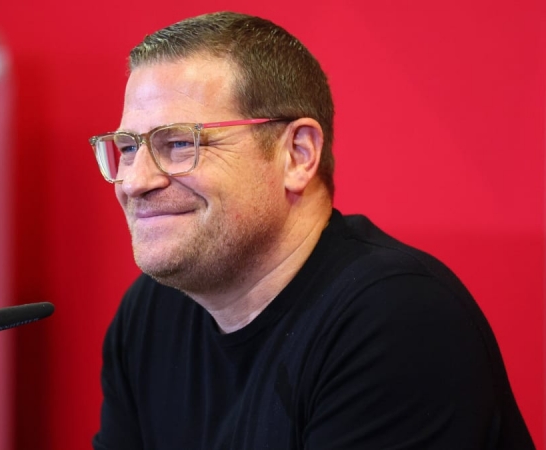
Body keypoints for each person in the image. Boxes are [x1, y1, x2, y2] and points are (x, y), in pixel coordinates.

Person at [88, 11, 534, 450]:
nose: (135, 181)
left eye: (180, 143)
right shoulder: (150, 313)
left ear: (297, 155)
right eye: (128, 148)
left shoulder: (397, 318)